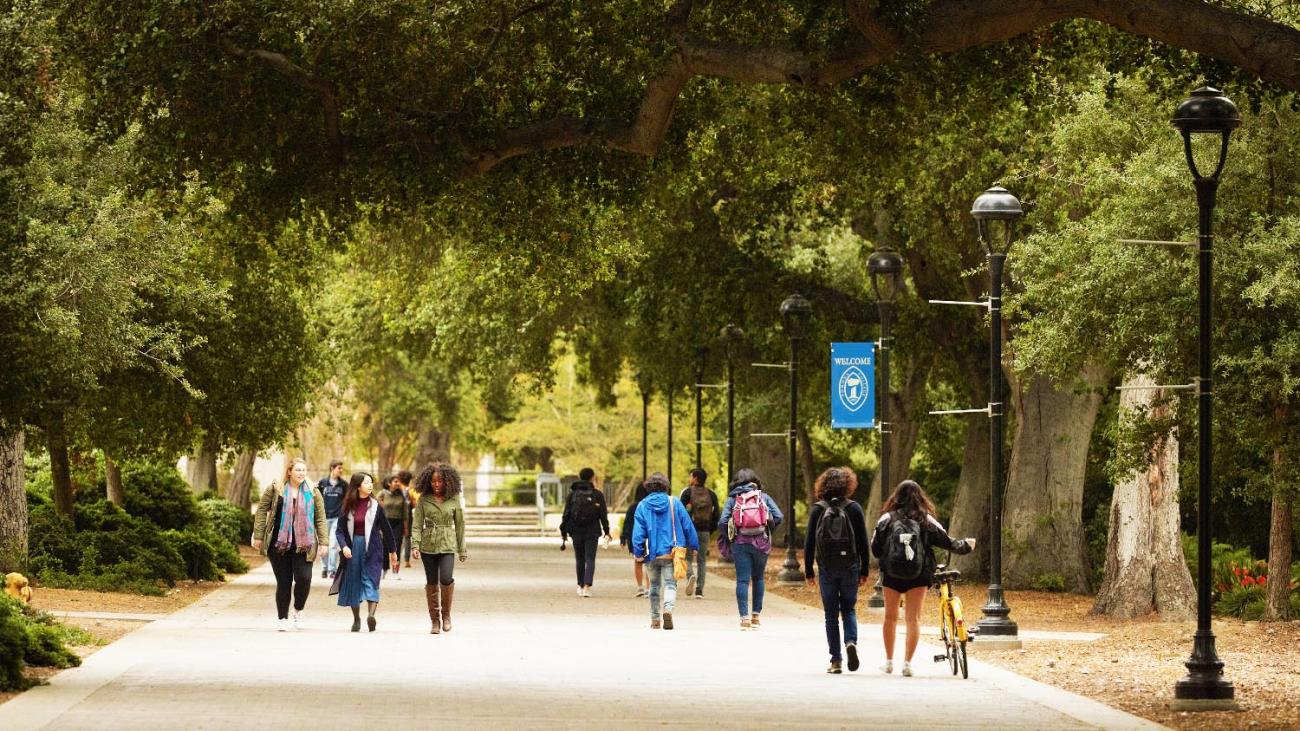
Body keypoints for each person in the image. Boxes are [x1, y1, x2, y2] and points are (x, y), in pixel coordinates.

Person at [871, 479, 975, 677]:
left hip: (891, 575)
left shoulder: (887, 519)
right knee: (913, 619)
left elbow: (875, 549)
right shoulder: (926, 520)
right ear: (920, 497)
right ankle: (907, 664)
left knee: (890, 617)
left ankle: (889, 662)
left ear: (896, 497)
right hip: (919, 574)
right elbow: (948, 541)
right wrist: (967, 545)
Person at [803, 467, 871, 674]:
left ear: (822, 485)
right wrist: (864, 570)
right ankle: (850, 642)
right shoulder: (854, 508)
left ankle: (836, 660)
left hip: (827, 568)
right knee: (848, 609)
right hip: (850, 566)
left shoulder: (818, 509)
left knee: (830, 614)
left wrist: (808, 572)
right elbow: (862, 542)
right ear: (847, 485)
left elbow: (809, 544)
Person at [252, 458, 328, 631]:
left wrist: (323, 542)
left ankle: (298, 610)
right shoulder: (275, 489)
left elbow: (320, 518)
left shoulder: (313, 491)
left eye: (304, 470)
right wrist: (258, 535)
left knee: (304, 579)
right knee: (284, 582)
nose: (301, 473)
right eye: (298, 470)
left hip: (304, 544)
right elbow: (262, 510)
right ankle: (282, 618)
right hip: (279, 543)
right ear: (289, 472)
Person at [717, 468, 783, 630]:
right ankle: (756, 616)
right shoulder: (763, 497)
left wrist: (730, 537)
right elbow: (779, 516)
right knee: (758, 578)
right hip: (762, 542)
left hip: (741, 543)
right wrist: (768, 531)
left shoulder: (733, 499)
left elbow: (722, 521)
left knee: (743, 580)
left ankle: (744, 618)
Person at [630, 472, 698, 630]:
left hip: (651, 554)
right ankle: (667, 609)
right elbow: (688, 525)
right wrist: (694, 545)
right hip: (671, 552)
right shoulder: (674, 502)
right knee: (670, 585)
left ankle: (655, 619)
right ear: (665, 486)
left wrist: (638, 552)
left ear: (648, 487)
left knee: (653, 587)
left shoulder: (642, 505)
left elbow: (638, 532)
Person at [333, 472, 398, 632]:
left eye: (371, 482)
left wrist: (393, 551)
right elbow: (339, 530)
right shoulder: (347, 506)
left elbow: (387, 530)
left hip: (373, 548)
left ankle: (371, 615)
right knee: (354, 581)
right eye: (366, 482)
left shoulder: (376, 506)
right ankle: (356, 619)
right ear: (358, 485)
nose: (370, 485)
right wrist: (344, 546)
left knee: (371, 579)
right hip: (353, 548)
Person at [411, 462, 467, 634]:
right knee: (431, 581)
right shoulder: (423, 499)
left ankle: (447, 615)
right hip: (428, 545)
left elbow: (460, 525)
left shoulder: (454, 498)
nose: (436, 485)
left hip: (447, 544)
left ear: (447, 481)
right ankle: (435, 621)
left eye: (440, 481)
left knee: (446, 578)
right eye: (433, 482)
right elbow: (417, 524)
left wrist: (462, 549)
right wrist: (415, 544)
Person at [559, 467, 611, 597]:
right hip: (592, 530)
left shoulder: (572, 495)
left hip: (575, 530)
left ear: (579, 476)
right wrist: (606, 530)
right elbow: (603, 514)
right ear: (592, 478)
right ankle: (587, 587)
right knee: (590, 558)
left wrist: (563, 530)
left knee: (579, 558)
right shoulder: (597, 494)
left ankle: (580, 585)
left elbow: (566, 514)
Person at [679, 467, 720, 599]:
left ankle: (690, 575)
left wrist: (683, 529)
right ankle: (699, 590)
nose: (689, 479)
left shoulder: (686, 493)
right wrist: (710, 529)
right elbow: (716, 515)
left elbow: (679, 512)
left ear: (695, 478)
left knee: (688, 557)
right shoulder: (711, 494)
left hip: (690, 531)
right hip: (705, 531)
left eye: (691, 476)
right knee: (702, 560)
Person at [619, 482, 650, 596]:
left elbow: (627, 523)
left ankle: (640, 587)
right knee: (649, 563)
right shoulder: (651, 505)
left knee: (638, 562)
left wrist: (623, 538)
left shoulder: (633, 506)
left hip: (636, 537)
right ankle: (648, 588)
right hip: (650, 537)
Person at [317, 459, 347, 579]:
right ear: (332, 468)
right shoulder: (322, 483)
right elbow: (316, 499)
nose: (341, 470)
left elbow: (347, 501)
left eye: (341, 468)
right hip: (323, 518)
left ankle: (332, 570)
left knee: (333, 544)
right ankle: (324, 568)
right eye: (339, 468)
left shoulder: (344, 485)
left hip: (337, 518)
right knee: (323, 543)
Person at [378, 475, 410, 579]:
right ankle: (384, 569)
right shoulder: (382, 493)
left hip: (398, 524)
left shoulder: (401, 495)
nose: (398, 483)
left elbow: (405, 513)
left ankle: (395, 571)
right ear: (389, 483)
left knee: (396, 547)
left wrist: (405, 528)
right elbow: (375, 506)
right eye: (395, 481)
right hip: (385, 523)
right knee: (384, 546)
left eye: (398, 482)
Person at [393, 470, 414, 568]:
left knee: (397, 537)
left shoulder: (397, 490)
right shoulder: (410, 491)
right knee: (407, 537)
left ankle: (396, 559)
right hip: (408, 515)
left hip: (397, 515)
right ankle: (406, 560)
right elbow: (413, 504)